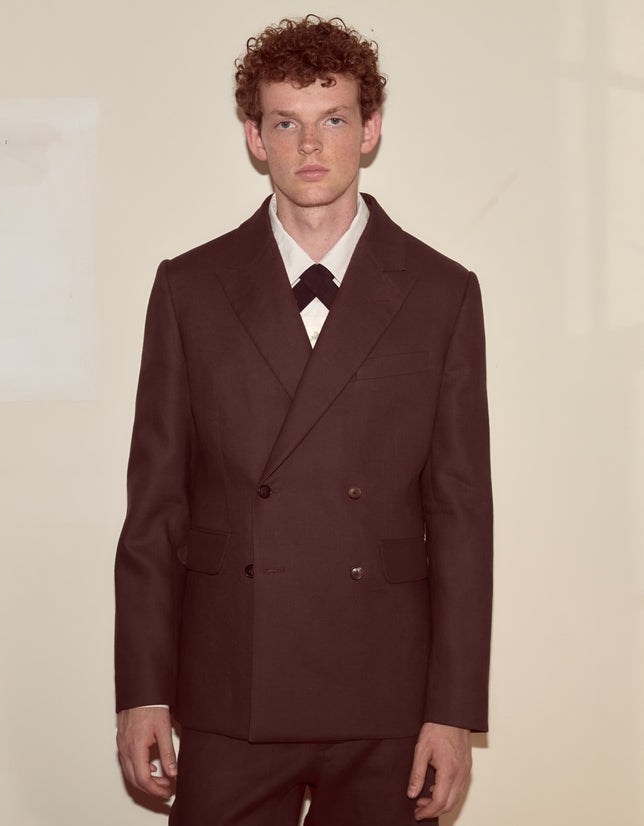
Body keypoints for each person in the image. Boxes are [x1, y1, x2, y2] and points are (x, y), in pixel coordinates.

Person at [115, 15, 492, 825]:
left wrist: (453, 709)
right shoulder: (190, 288)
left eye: (334, 120)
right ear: (255, 137)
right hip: (232, 686)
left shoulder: (440, 292)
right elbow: (155, 508)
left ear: (371, 130)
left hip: (386, 693)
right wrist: (143, 690)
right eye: (286, 122)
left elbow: (461, 512)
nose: (310, 146)